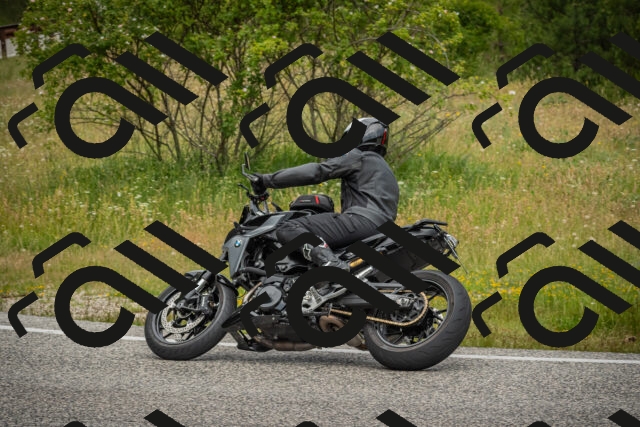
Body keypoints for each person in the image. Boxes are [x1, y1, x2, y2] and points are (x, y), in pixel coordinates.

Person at [249, 117, 399, 273]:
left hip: (361, 221)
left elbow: (317, 172)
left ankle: (330, 263)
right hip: (382, 230)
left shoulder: (360, 157)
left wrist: (266, 180)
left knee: (288, 227)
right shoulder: (387, 171)